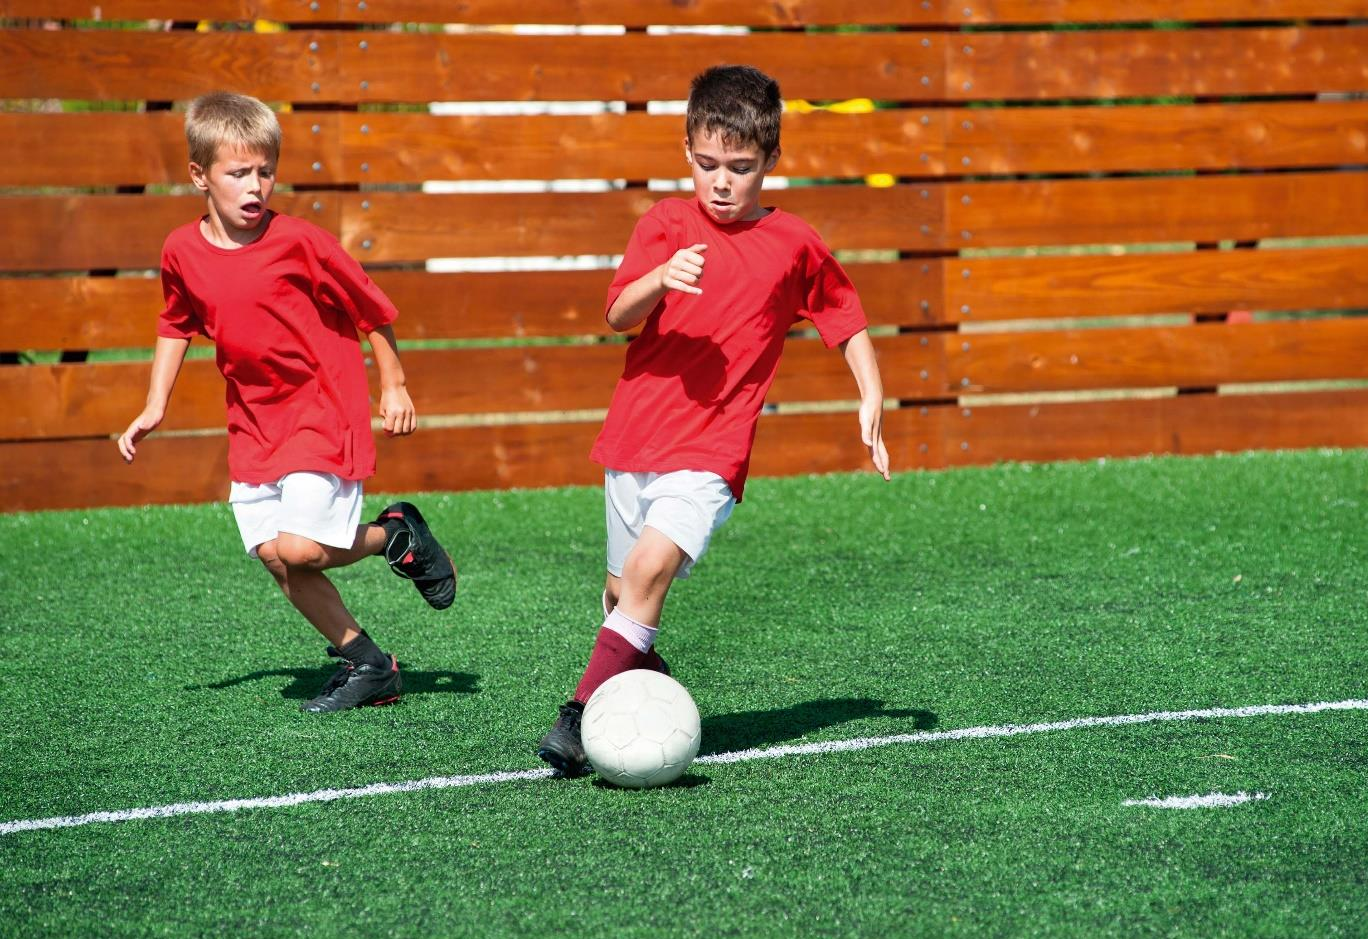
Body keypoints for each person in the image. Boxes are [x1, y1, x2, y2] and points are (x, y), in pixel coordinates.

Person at [538, 65, 891, 775]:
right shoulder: (665, 224)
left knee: (645, 572)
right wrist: (658, 278)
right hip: (634, 439)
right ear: (686, 152)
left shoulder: (794, 243)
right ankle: (649, 689)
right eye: (707, 165)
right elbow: (616, 316)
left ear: (771, 162)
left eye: (741, 167)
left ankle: (578, 715)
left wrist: (871, 397)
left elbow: (845, 321)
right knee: (619, 596)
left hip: (712, 451)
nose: (721, 183)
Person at [117, 91, 456, 713]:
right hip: (253, 423)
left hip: (321, 408)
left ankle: (394, 533)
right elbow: (175, 324)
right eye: (237, 173)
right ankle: (371, 666)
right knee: (276, 557)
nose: (255, 187)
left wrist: (395, 382)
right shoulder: (179, 251)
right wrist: (154, 404)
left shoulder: (302, 242)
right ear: (199, 176)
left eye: (265, 171)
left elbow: (372, 312)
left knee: (300, 548)